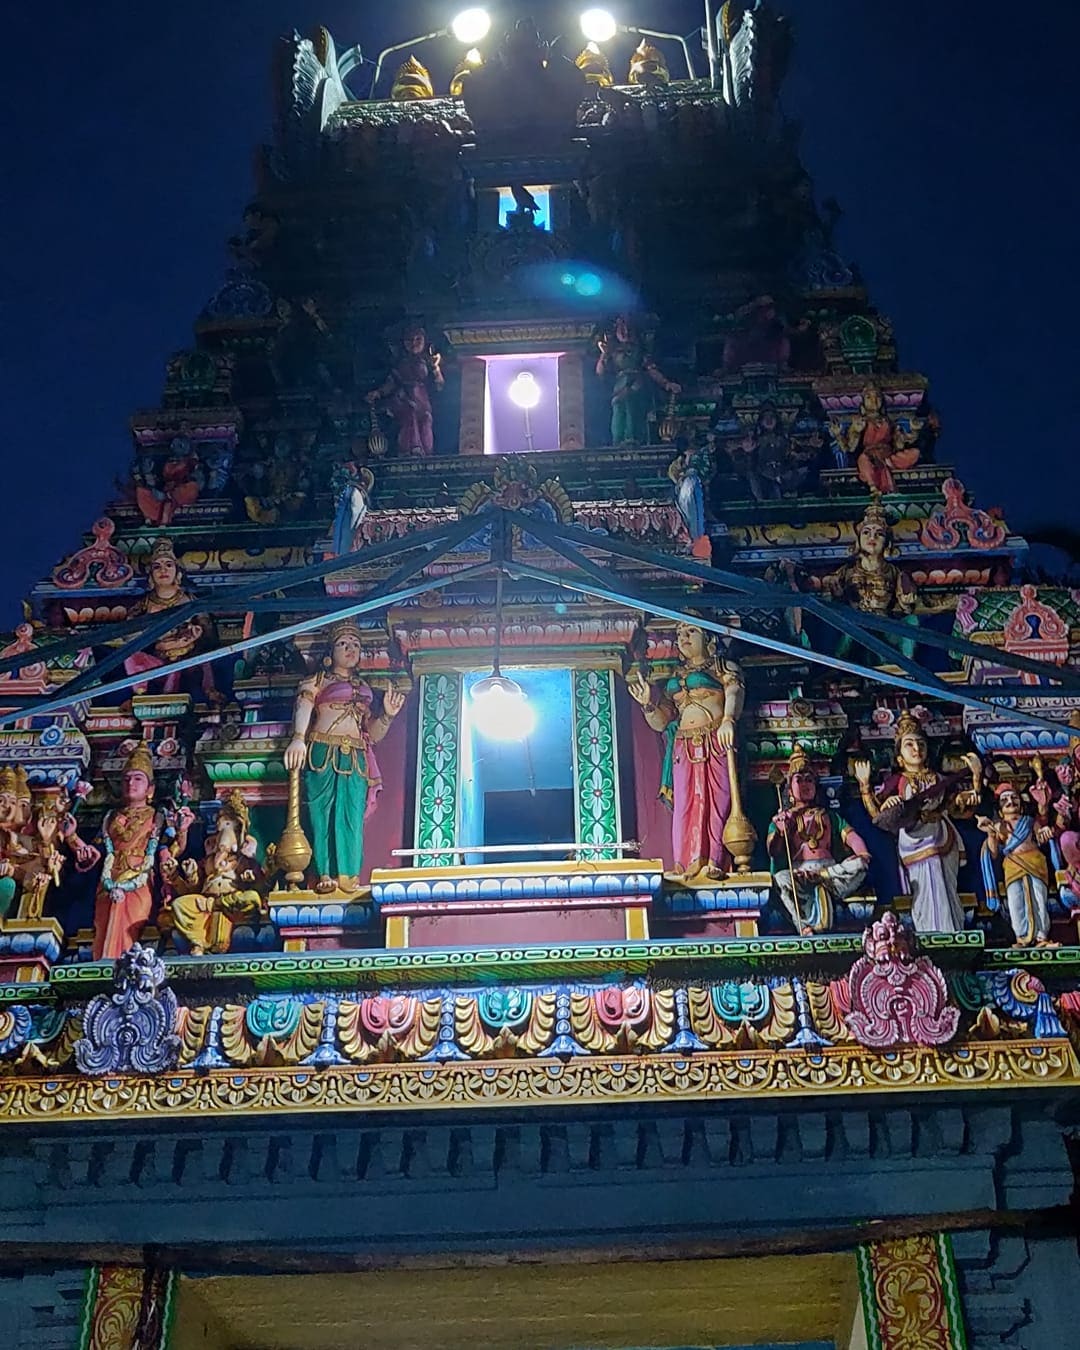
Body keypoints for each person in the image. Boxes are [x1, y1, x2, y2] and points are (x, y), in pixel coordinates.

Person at [284, 622, 406, 894]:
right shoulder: (315, 681)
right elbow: (303, 707)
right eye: (343, 644)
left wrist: (387, 715)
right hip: (322, 752)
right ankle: (324, 872)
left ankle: (348, 873)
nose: (351, 649)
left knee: (351, 814)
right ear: (330, 652)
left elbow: (371, 735)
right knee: (321, 812)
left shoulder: (364, 688)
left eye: (356, 645)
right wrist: (298, 739)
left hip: (355, 755)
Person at [627, 622, 743, 885]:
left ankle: (716, 859)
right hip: (683, 746)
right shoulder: (675, 679)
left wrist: (728, 719)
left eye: (691, 631)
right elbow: (660, 722)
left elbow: (734, 691)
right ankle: (684, 862)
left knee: (718, 801)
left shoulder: (724, 669)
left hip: (716, 739)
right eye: (679, 634)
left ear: (708, 636)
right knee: (685, 805)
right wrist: (648, 705)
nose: (684, 637)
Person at [855, 712, 981, 933]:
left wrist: (976, 778)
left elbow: (958, 809)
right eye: (909, 744)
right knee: (923, 888)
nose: (916, 749)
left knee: (946, 885)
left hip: (942, 835)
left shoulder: (939, 780)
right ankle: (928, 930)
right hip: (914, 838)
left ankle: (952, 929)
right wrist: (865, 786)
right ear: (900, 756)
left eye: (920, 744)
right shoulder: (897, 780)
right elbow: (878, 816)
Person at [75, 744, 193, 961]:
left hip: (139, 877)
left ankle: (124, 969)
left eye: (138, 779)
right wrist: (72, 837)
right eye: (127, 779)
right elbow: (97, 850)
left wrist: (182, 831)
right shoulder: (110, 817)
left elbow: (171, 848)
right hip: (109, 879)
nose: (131, 783)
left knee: (131, 924)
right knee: (103, 924)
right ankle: (102, 966)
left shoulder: (158, 816)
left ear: (151, 790)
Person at [768, 745, 870, 934]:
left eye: (810, 780)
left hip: (830, 873)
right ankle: (803, 926)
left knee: (860, 865)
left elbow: (852, 836)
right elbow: (773, 853)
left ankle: (822, 879)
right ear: (789, 790)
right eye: (799, 780)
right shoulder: (784, 818)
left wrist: (862, 853)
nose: (806, 784)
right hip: (800, 874)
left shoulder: (828, 816)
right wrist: (781, 832)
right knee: (780, 880)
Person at [162, 790, 264, 956]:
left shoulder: (244, 861)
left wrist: (250, 878)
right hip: (206, 902)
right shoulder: (208, 861)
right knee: (179, 905)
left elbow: (260, 887)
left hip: (232, 901)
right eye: (223, 826)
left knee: (251, 897)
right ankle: (198, 941)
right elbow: (192, 890)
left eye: (231, 826)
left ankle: (215, 911)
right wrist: (189, 875)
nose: (225, 832)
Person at [820, 498, 919, 659]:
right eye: (866, 532)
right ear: (858, 540)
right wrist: (836, 595)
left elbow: (905, 609)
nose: (871, 537)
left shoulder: (894, 572)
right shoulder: (847, 571)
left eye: (879, 534)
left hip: (885, 625)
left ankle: (906, 668)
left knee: (911, 621)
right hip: (855, 625)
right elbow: (830, 598)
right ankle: (838, 665)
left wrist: (907, 601)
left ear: (887, 542)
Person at [123, 538, 219, 702]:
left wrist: (196, 633)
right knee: (130, 657)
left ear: (178, 572)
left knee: (206, 659)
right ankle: (140, 695)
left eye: (169, 565)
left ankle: (210, 690)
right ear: (151, 574)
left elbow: (209, 634)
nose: (163, 570)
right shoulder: (145, 604)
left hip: (188, 657)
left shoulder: (189, 600)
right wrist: (149, 622)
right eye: (157, 566)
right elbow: (127, 636)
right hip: (158, 660)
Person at [978, 784, 1058, 948]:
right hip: (1013, 866)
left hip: (1035, 863)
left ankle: (1042, 937)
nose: (1010, 802)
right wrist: (990, 833)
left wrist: (1045, 834)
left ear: (1021, 805)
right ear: (1000, 810)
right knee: (1016, 902)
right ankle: (1021, 937)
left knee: (1038, 899)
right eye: (1004, 800)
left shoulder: (1029, 822)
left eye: (1014, 798)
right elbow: (993, 854)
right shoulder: (999, 826)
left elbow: (1040, 837)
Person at [596, 316, 680, 447]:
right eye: (622, 329)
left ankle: (633, 438)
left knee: (633, 409)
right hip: (619, 386)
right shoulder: (612, 351)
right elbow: (600, 372)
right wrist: (604, 354)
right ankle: (618, 441)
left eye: (629, 328)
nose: (626, 332)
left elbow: (651, 369)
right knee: (618, 411)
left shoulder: (640, 350)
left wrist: (666, 383)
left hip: (637, 383)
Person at [367, 324, 444, 458]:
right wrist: (378, 393)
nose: (414, 343)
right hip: (403, 398)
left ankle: (427, 452)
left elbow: (439, 384)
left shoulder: (428, 362)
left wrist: (436, 368)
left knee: (426, 420)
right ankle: (411, 449)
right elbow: (391, 383)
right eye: (409, 340)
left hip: (422, 398)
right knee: (410, 416)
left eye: (418, 339)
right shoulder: (401, 363)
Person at [830, 384, 922, 494]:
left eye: (877, 397)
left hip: (888, 456)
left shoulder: (888, 422)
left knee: (915, 453)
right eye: (869, 397)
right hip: (870, 457)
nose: (874, 400)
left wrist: (914, 430)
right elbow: (849, 447)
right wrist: (840, 434)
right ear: (863, 403)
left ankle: (886, 464)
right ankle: (873, 486)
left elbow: (899, 444)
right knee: (863, 460)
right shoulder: (860, 422)